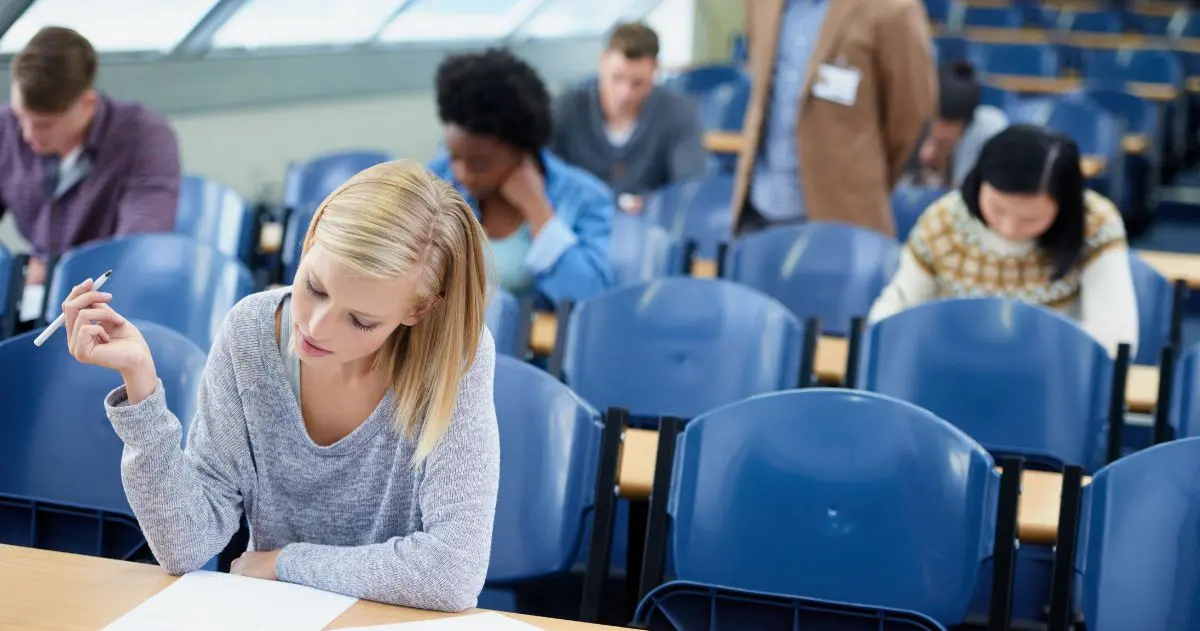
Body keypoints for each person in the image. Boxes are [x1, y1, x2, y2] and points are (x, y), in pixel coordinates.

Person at [61, 161, 499, 612]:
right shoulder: (250, 332)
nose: (316, 326)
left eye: (361, 321)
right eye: (315, 286)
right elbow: (186, 545)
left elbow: (453, 571)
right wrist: (140, 384)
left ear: (419, 311)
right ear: (310, 240)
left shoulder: (455, 359)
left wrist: (285, 563)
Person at [869, 125, 1139, 358]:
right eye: (997, 210)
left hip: (1053, 385)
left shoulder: (1095, 224)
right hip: (954, 374)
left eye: (1031, 219)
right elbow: (895, 310)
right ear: (978, 183)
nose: (1009, 229)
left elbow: (1116, 339)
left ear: (1064, 207)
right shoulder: (945, 220)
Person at [732, 0, 936, 236]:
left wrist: (860, 176)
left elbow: (909, 117)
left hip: (843, 216)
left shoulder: (893, 8)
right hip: (758, 210)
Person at [0, 27, 180, 291]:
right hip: (32, 291)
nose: (27, 134)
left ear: (87, 103)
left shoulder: (145, 135)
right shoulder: (5, 127)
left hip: (109, 294)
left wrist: (55, 274)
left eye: (44, 125)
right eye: (20, 117)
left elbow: (136, 248)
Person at [428, 48, 614, 304]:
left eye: (479, 164)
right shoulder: (434, 181)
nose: (461, 174)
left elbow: (590, 299)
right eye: (454, 155)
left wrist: (539, 211)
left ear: (522, 151)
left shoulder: (585, 197)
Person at [550, 22, 707, 212]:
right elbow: (545, 179)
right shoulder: (566, 109)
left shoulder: (678, 112)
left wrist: (654, 204)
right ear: (603, 63)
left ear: (655, 71)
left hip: (650, 230)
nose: (625, 93)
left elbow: (689, 187)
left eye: (638, 83)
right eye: (616, 78)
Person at [901, 60, 1008, 189]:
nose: (942, 130)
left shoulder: (988, 127)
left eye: (950, 123)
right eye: (939, 120)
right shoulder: (914, 125)